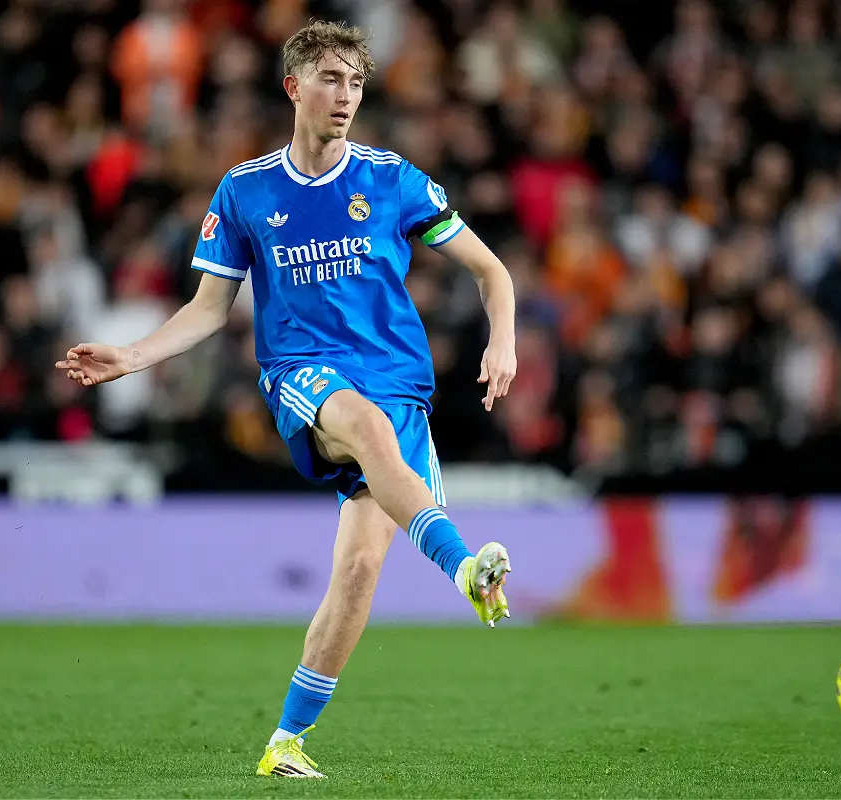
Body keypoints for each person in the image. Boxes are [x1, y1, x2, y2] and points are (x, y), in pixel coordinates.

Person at [55, 20, 516, 779]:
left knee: (360, 571)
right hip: (303, 374)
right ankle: (467, 569)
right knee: (362, 426)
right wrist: (131, 357)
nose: (346, 96)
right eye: (331, 80)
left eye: (358, 83)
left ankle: (285, 742)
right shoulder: (245, 191)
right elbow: (209, 309)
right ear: (293, 86)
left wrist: (502, 342)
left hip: (398, 383)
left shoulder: (392, 179)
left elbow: (491, 270)